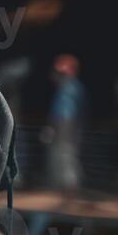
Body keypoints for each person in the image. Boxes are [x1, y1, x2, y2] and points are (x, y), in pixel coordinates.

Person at [42, 54, 85, 196]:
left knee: (65, 160)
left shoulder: (68, 87)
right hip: (68, 129)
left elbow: (64, 115)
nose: (56, 75)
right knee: (64, 160)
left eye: (60, 72)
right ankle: (64, 193)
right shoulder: (69, 87)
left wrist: (53, 130)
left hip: (64, 129)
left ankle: (68, 195)